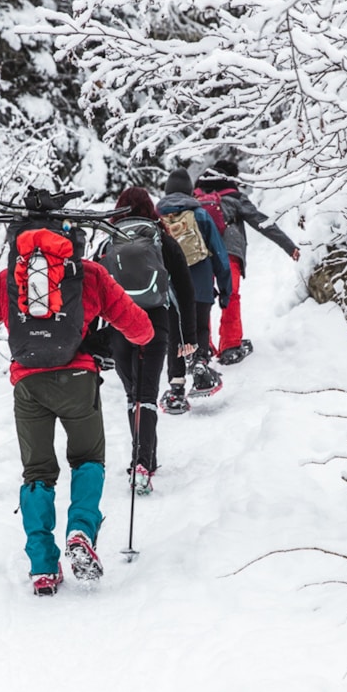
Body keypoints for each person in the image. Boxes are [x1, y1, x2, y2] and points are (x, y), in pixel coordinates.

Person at [0, 246, 154, 595]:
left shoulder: (10, 281)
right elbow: (142, 330)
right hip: (78, 380)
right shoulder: (89, 275)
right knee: (88, 459)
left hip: (29, 385)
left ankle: (43, 567)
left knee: (37, 472)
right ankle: (81, 531)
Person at [105, 187, 197, 494]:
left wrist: (90, 338)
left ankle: (141, 459)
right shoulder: (163, 240)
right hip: (156, 321)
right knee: (147, 393)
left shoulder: (109, 240)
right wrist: (189, 337)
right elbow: (185, 290)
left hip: (119, 322)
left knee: (133, 395)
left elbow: (92, 287)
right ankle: (144, 463)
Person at [194, 156, 300, 365]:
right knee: (230, 296)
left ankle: (202, 348)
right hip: (228, 253)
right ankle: (230, 347)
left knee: (201, 300)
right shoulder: (235, 197)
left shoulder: (196, 196)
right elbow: (262, 222)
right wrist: (290, 246)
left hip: (200, 254)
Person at [156, 167, 232, 412]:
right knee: (199, 326)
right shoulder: (199, 214)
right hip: (199, 283)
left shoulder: (156, 217)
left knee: (175, 336)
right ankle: (199, 366)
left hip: (170, 288)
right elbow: (219, 253)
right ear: (190, 191)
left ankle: (176, 390)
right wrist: (225, 289)